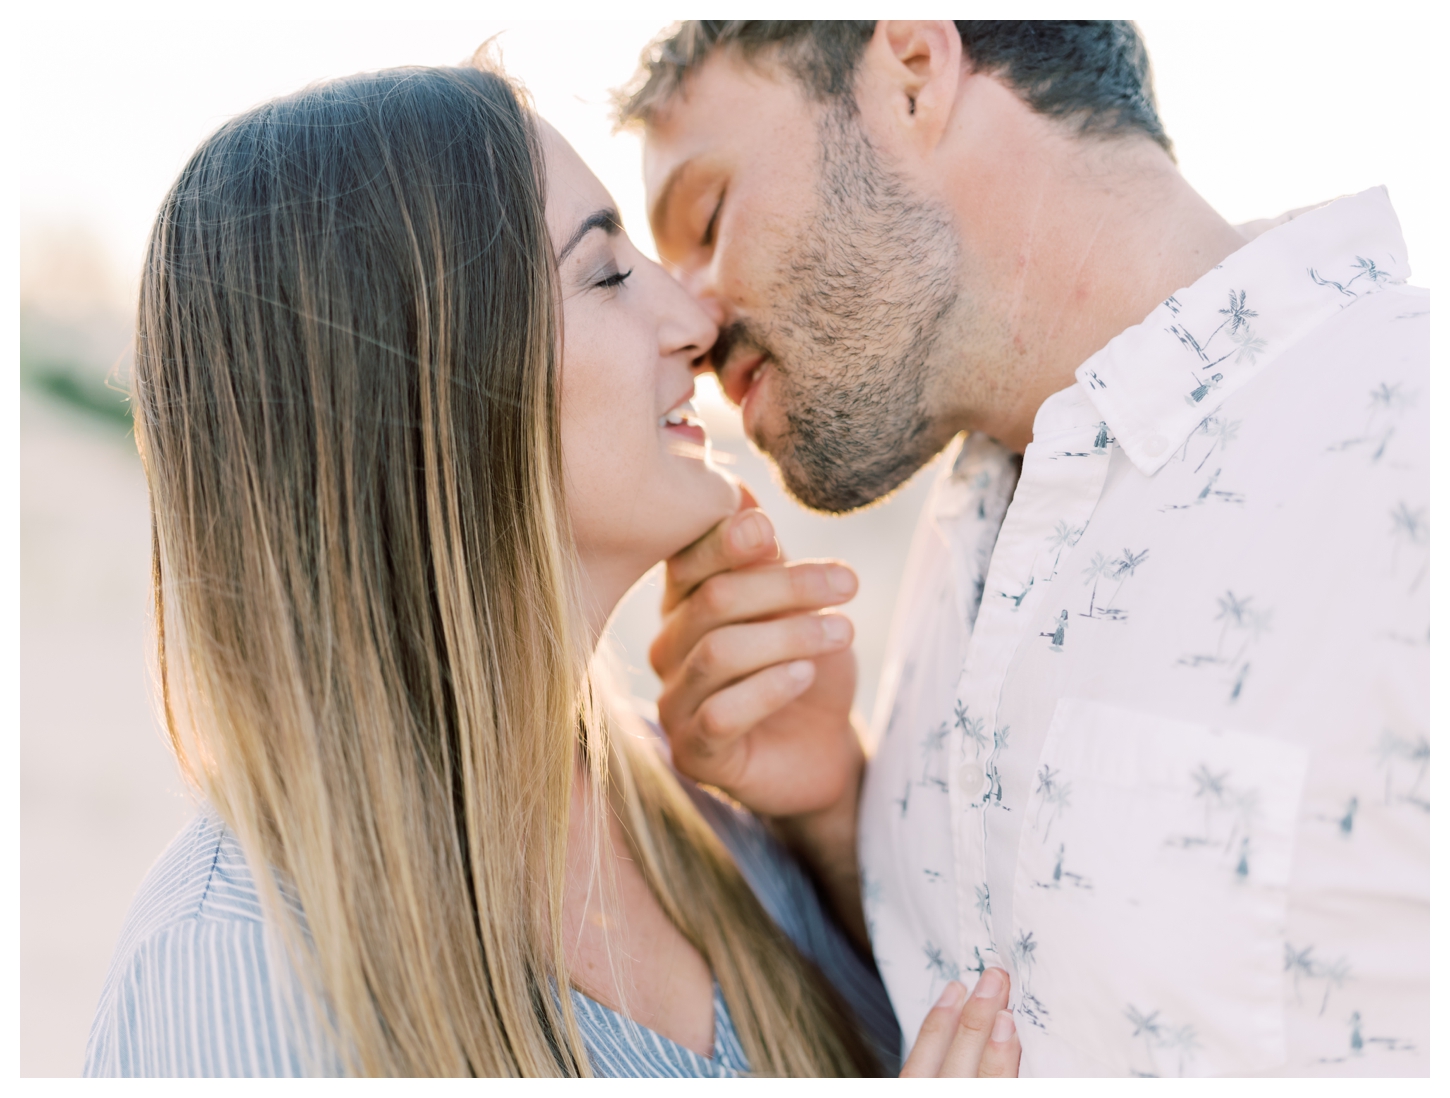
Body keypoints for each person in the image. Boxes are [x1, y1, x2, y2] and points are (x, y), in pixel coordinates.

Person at [82, 56, 1021, 1078]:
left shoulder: (719, 816)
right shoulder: (228, 965)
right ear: (423, 394)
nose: (698, 324)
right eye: (607, 273)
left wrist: (831, 811)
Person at [623, 20, 1429, 1076]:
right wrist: (835, 809)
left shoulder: (1413, 443)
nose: (686, 313)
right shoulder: (979, 514)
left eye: (708, 216)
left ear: (911, 74)